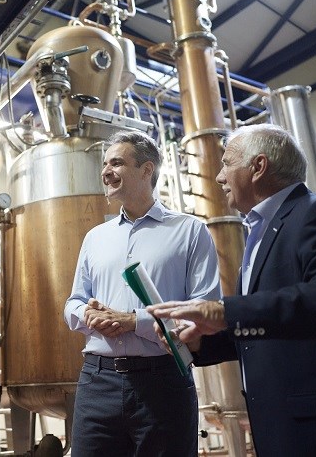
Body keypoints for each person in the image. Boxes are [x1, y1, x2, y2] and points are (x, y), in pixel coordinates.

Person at [149, 124, 316, 457]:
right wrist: (202, 342)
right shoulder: (259, 234)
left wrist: (226, 312)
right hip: (284, 428)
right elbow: (274, 328)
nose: (219, 177)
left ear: (258, 167)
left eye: (227, 163)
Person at [64, 130, 220, 457]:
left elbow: (204, 309)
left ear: (147, 170)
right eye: (105, 164)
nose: (106, 171)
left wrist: (134, 321)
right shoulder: (95, 237)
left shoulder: (189, 231)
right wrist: (87, 315)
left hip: (163, 381)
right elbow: (74, 302)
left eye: (116, 163)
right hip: (98, 381)